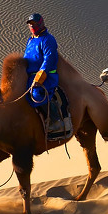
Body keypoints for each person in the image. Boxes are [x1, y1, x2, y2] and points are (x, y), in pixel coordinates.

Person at [23, 13, 71, 141]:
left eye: (34, 24)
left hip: (46, 76)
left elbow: (49, 61)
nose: (32, 26)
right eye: (30, 24)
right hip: (30, 76)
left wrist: (38, 79)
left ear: (40, 23)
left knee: (37, 94)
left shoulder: (48, 39)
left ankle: (55, 122)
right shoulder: (31, 40)